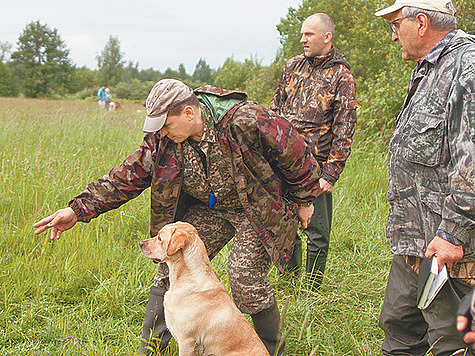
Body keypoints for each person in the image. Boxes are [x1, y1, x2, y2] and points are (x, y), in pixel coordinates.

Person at [33, 79, 321, 355]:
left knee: (246, 282)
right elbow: (127, 175)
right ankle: (152, 351)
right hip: (211, 209)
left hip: (256, 209)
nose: (162, 133)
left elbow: (295, 153)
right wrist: (77, 209)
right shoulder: (164, 140)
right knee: (168, 268)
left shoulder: (243, 119)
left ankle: (271, 351)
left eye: (167, 125)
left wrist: (305, 200)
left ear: (189, 112)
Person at [374, 0, 475, 354]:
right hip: (415, 242)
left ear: (421, 22)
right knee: (400, 331)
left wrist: (454, 232)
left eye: (395, 24)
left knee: (454, 341)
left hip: (453, 250)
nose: (392, 36)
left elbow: (472, 160)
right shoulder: (429, 69)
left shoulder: (467, 68)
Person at [270, 13, 357, 291]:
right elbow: (274, 112)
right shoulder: (292, 66)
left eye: (309, 34)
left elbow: (345, 129)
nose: (302, 39)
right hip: (283, 163)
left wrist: (330, 174)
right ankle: (289, 281)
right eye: (302, 34)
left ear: (327, 37)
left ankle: (313, 290)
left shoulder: (342, 76)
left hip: (315, 168)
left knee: (316, 231)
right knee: (286, 225)